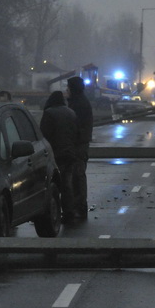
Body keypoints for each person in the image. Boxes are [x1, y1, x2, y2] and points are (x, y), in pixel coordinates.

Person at [40, 90, 78, 224]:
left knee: (53, 184)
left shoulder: (49, 113)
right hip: (70, 153)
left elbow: (44, 135)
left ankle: (54, 212)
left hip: (56, 153)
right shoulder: (71, 112)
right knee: (67, 184)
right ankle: (69, 212)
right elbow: (76, 133)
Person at [66, 76, 93, 220]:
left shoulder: (78, 104)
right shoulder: (80, 101)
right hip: (80, 144)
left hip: (78, 145)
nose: (66, 90)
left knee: (77, 176)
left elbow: (75, 126)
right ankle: (79, 205)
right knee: (77, 176)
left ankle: (79, 206)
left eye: (68, 87)